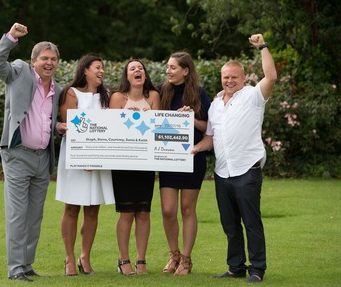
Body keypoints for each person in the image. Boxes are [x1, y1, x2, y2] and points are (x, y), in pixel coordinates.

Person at [192, 34, 277, 283]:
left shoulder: (253, 96)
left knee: (251, 222)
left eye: (234, 77)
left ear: (242, 78)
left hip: (247, 170)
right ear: (221, 78)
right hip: (222, 172)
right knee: (230, 225)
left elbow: (271, 77)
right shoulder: (216, 104)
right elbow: (212, 137)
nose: (229, 81)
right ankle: (235, 267)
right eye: (225, 77)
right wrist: (197, 148)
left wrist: (262, 47)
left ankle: (258, 269)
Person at [0, 23, 65, 282]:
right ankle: (15, 269)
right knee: (17, 214)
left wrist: (59, 127)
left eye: (53, 59)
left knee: (34, 217)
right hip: (18, 155)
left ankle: (27, 264)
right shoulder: (19, 71)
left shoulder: (57, 89)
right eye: (44, 58)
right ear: (34, 61)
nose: (49, 62)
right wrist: (11, 37)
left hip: (43, 158)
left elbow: (46, 121)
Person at [55, 54, 115, 276]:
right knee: (71, 208)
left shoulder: (108, 96)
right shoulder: (71, 93)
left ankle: (85, 257)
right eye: (98, 67)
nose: (102, 71)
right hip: (75, 159)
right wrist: (84, 157)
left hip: (99, 161)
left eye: (103, 68)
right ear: (85, 70)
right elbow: (70, 128)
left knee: (92, 210)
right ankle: (69, 258)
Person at [158, 51, 211, 276]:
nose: (168, 71)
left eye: (173, 67)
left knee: (188, 209)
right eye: (168, 67)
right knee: (168, 210)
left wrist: (190, 117)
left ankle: (186, 260)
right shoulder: (161, 91)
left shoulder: (199, 94)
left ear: (185, 70)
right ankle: (174, 254)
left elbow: (207, 128)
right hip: (168, 159)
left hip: (191, 158)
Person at [109, 60, 160, 275]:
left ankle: (141, 261)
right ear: (127, 76)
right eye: (133, 69)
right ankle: (123, 260)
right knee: (127, 213)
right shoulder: (118, 98)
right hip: (123, 165)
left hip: (146, 164)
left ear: (145, 75)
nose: (137, 70)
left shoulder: (154, 97)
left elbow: (158, 126)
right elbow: (112, 129)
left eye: (140, 68)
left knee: (144, 213)